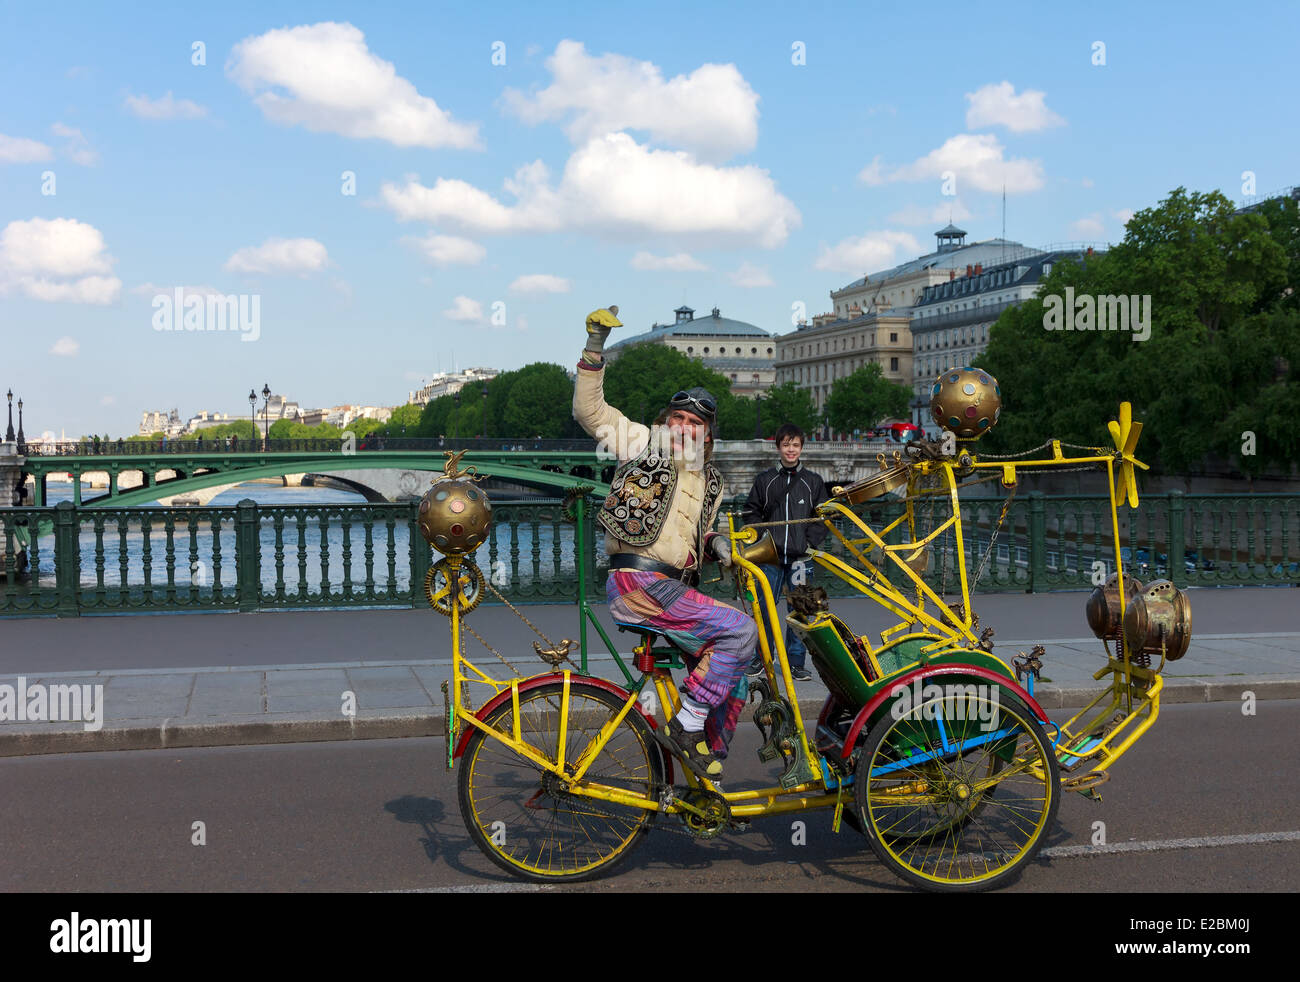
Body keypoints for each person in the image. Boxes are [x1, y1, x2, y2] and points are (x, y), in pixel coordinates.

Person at [574, 306, 755, 784]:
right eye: (676, 418)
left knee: (733, 677)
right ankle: (686, 725)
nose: (682, 427)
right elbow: (589, 411)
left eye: (692, 423)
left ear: (707, 434)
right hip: (640, 582)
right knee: (740, 631)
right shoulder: (642, 443)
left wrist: (717, 543)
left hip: (670, 590)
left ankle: (706, 776)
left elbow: (698, 533)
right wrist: (595, 344)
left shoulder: (710, 481)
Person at [742, 423, 831, 682]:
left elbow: (823, 517)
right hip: (769, 556)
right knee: (764, 609)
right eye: (786, 445)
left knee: (801, 610)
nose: (790, 450)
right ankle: (763, 658)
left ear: (801, 448)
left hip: (800, 558)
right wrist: (761, 539)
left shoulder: (813, 481)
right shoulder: (765, 480)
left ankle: (795, 663)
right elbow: (751, 512)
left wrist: (809, 543)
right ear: (778, 447)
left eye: (795, 445)